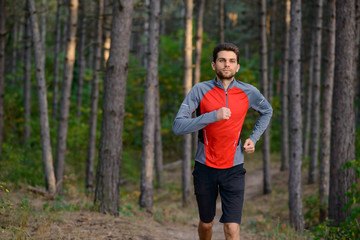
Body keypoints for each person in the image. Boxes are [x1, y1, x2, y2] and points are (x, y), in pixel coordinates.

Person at [172, 43, 273, 240]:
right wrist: (212, 116)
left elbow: (267, 111)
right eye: (222, 60)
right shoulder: (200, 90)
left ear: (237, 67)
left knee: (232, 228)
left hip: (234, 168)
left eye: (231, 61)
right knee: (206, 223)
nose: (227, 65)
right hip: (205, 167)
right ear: (213, 65)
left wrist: (253, 138)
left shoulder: (248, 91)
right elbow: (178, 126)